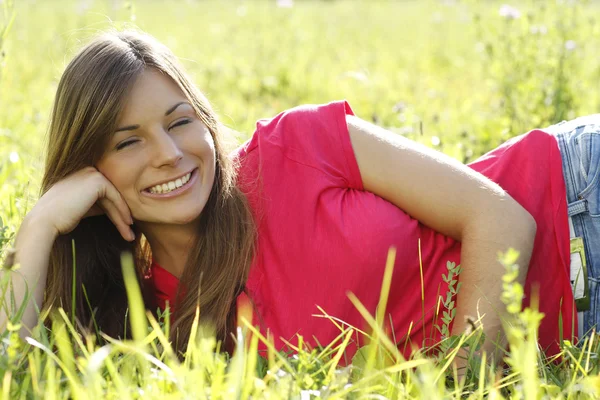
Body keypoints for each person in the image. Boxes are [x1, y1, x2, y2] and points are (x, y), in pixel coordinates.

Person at [0, 30, 593, 362]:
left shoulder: (292, 147)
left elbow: (498, 214)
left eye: (180, 122)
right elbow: (18, 366)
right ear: (89, 167)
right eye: (128, 142)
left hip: (573, 198)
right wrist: (42, 226)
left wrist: (466, 382)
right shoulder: (145, 314)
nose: (169, 154)